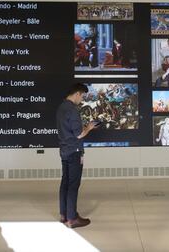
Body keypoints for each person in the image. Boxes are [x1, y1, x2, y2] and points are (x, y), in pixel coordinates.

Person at [56, 83, 97, 228]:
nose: (82, 100)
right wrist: (89, 127)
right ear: (77, 94)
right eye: (82, 96)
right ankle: (72, 219)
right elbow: (79, 134)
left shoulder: (61, 108)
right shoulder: (72, 110)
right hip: (75, 152)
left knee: (65, 182)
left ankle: (63, 215)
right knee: (73, 185)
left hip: (64, 151)